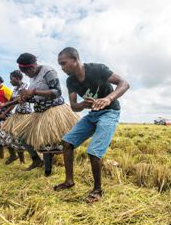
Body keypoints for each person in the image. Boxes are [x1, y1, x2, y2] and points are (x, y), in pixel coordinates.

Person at [54, 47, 129, 203]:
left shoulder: (97, 69)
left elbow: (124, 84)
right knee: (67, 143)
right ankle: (69, 181)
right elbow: (74, 106)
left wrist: (108, 98)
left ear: (75, 59)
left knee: (94, 151)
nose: (62, 68)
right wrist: (83, 105)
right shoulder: (71, 81)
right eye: (60, 65)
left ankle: (97, 190)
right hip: (92, 114)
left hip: (110, 112)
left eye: (64, 63)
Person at [14, 53, 80, 175]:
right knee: (22, 137)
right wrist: (27, 98)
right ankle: (37, 161)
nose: (26, 74)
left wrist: (33, 92)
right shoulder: (32, 77)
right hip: (39, 112)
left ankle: (48, 172)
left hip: (53, 110)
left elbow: (57, 92)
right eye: (24, 72)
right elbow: (36, 97)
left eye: (26, 71)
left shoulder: (48, 71)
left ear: (32, 66)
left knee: (48, 142)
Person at [1, 70, 32, 164]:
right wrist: (4, 106)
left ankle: (32, 160)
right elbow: (11, 102)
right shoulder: (14, 90)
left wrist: (4, 105)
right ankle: (16, 157)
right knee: (9, 135)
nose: (10, 81)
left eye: (11, 79)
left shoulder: (25, 86)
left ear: (17, 78)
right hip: (17, 115)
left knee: (23, 137)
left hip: (26, 115)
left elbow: (19, 100)